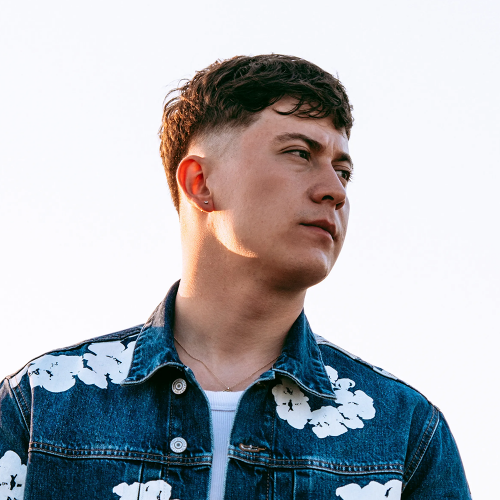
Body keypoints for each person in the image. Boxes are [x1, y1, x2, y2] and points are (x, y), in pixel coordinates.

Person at [0, 55, 471, 500]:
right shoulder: (40, 406)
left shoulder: (406, 432)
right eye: (299, 153)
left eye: (343, 171)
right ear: (200, 183)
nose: (335, 191)